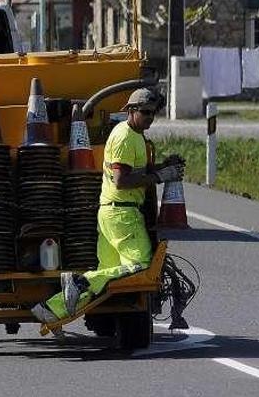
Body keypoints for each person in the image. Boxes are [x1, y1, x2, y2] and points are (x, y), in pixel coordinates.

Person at [31, 87, 185, 326]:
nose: (150, 117)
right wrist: (160, 177)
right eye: (145, 112)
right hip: (123, 214)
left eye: (153, 113)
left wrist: (162, 167)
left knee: (106, 277)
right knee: (141, 267)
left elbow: (135, 172)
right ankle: (79, 283)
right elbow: (122, 180)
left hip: (111, 213)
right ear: (131, 111)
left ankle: (50, 309)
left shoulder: (130, 134)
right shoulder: (125, 137)